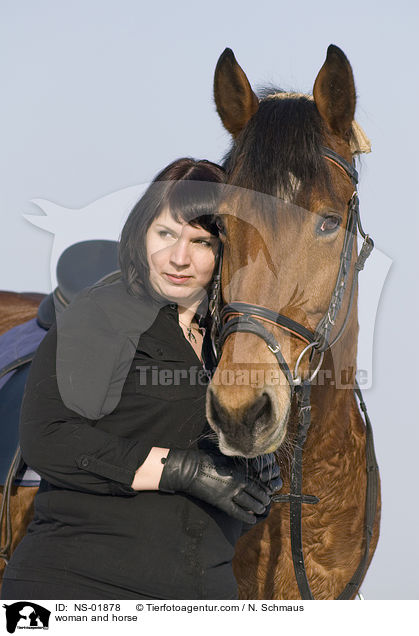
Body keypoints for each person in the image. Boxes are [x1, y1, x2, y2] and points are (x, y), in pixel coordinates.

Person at [1, 158, 281, 600]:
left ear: (226, 251)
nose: (179, 258)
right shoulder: (102, 314)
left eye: (202, 241)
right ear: (141, 233)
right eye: (166, 234)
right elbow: (49, 438)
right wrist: (182, 470)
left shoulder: (231, 346)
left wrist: (256, 476)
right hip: (80, 587)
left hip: (202, 596)